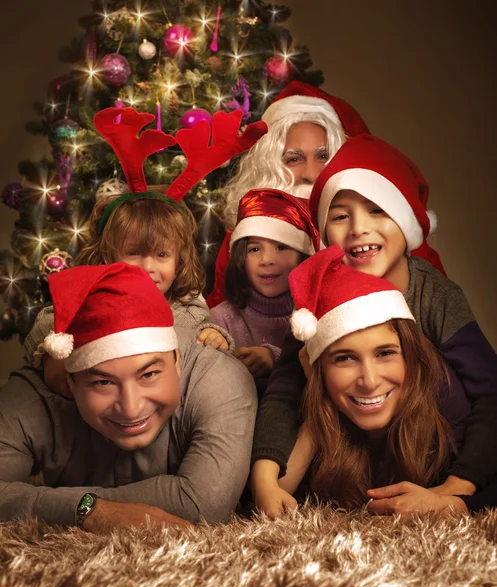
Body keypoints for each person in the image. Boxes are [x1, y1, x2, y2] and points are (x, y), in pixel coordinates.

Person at [251, 134, 497, 514]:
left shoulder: (435, 296)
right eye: (340, 216)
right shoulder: (315, 298)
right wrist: (266, 480)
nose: (358, 228)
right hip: (350, 447)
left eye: (378, 210)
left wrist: (456, 488)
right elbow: (282, 397)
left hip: (432, 443)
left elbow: (490, 392)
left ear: (406, 222)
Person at [24, 105, 269, 396]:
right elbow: (49, 319)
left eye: (161, 255)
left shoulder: (184, 307)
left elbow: (203, 327)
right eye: (134, 253)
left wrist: (215, 336)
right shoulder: (91, 294)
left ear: (179, 261)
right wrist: (58, 343)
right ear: (109, 254)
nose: (147, 267)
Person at [0, 262, 258, 530]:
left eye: (148, 375)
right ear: (70, 383)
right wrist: (90, 510)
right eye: (103, 382)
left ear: (177, 362)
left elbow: (204, 505)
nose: (131, 409)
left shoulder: (219, 378)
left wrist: (51, 504)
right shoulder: (33, 393)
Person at [252, 246, 493, 517]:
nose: (369, 381)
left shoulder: (446, 397)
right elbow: (278, 492)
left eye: (385, 353)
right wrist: (318, 403)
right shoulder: (321, 402)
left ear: (411, 357)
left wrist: (455, 503)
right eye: (344, 359)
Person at [206, 81, 370, 308]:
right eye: (294, 159)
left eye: (323, 156)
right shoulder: (244, 233)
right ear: (269, 166)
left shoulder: (373, 232)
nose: (312, 175)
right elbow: (220, 313)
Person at [210, 188, 320, 391]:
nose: (267, 260)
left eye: (281, 247)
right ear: (240, 259)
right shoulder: (221, 319)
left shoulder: (317, 316)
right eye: (254, 249)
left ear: (302, 257)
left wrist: (274, 358)